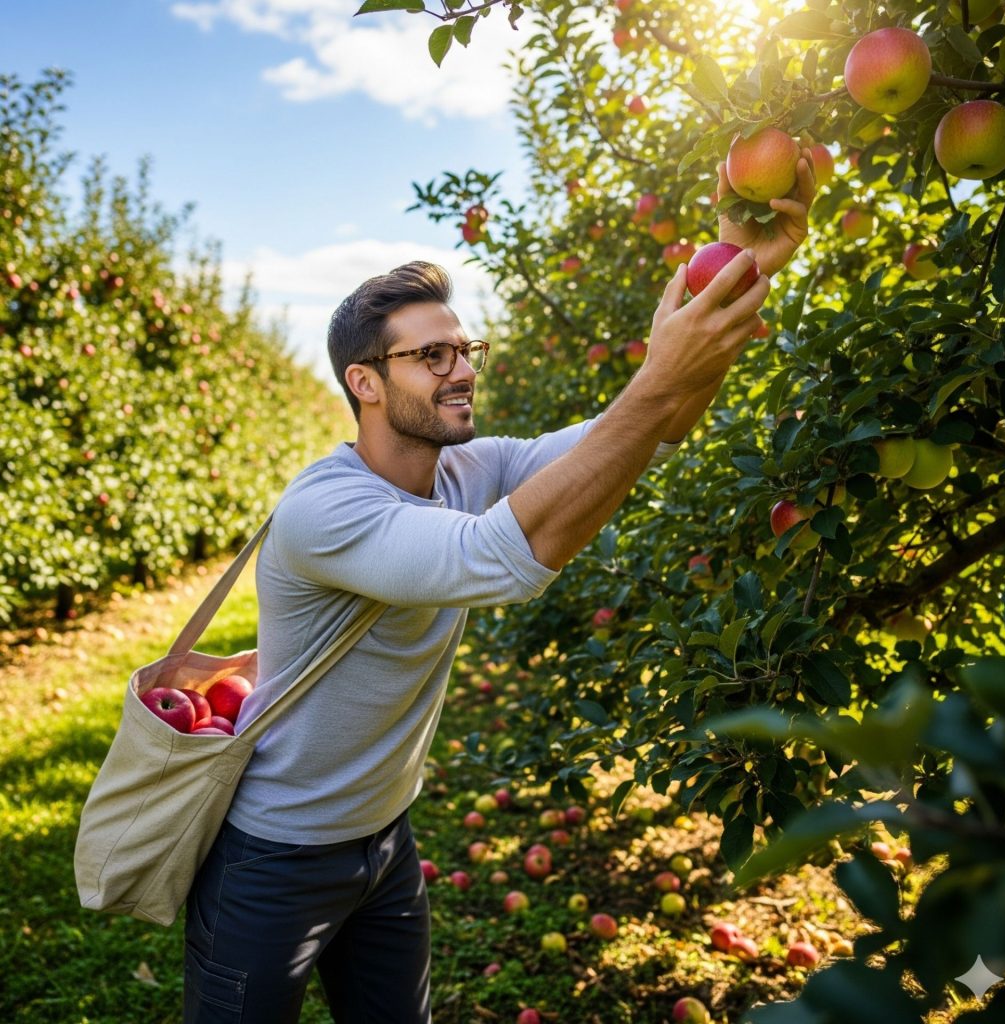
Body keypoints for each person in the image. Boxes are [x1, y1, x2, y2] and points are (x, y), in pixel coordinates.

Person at [182, 156, 816, 1023]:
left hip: (386, 846)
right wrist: (657, 371)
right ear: (364, 383)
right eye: (431, 354)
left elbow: (646, 429)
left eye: (464, 348)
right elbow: (498, 557)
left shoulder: (473, 467)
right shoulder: (324, 510)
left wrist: (735, 273)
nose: (462, 368)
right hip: (273, 857)